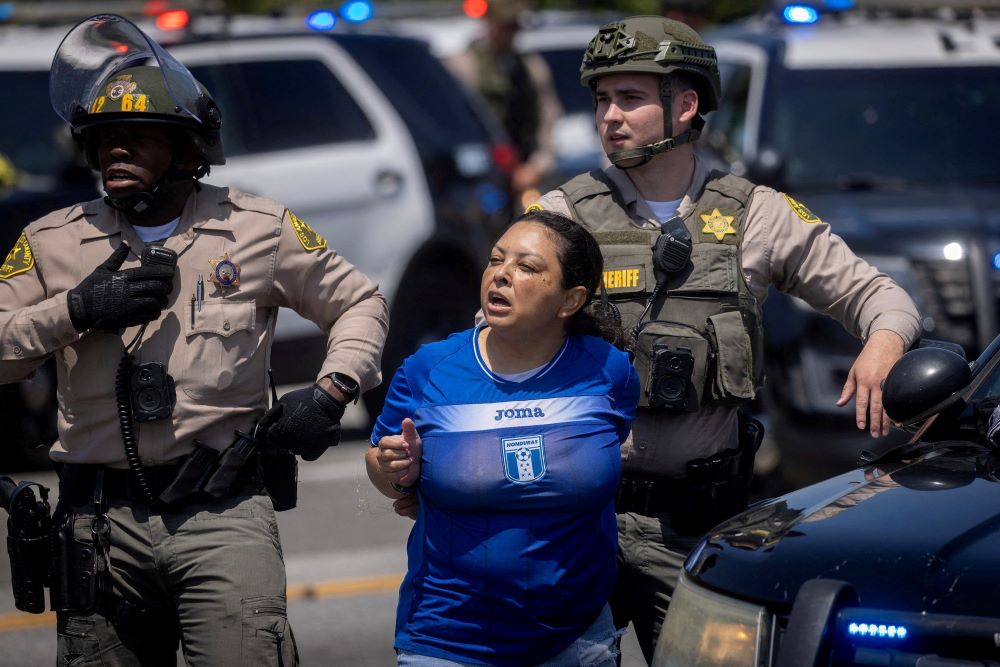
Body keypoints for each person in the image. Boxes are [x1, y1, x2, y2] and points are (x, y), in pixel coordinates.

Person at [523, 15, 922, 663]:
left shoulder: (754, 213)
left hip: (693, 529)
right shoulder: (558, 217)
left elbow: (883, 296)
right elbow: (487, 348)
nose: (609, 117)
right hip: (574, 522)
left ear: (684, 106)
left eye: (630, 99)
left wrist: (883, 341)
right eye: (601, 99)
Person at [0, 15, 388, 665]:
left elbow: (359, 300)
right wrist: (73, 309)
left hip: (222, 513)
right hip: (97, 526)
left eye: (138, 138)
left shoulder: (256, 226)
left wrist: (332, 388)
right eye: (104, 139)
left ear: (187, 150)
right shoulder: (51, 240)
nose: (115, 152)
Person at [367, 210, 639, 666]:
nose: (502, 275)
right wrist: (393, 470)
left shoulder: (608, 371)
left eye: (527, 267)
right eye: (496, 260)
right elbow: (381, 462)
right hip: (446, 638)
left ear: (570, 300)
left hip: (576, 639)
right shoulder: (427, 368)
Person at [446, 0, 563, 209]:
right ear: (489, 21)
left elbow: (548, 118)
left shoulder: (531, 67)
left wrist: (537, 166)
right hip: (479, 176)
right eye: (504, 25)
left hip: (523, 174)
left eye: (514, 26)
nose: (510, 33)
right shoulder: (464, 65)